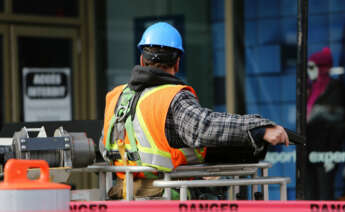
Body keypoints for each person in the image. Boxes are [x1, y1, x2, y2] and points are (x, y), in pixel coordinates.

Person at [99, 22, 289, 200]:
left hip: (123, 196)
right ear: (177, 62)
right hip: (165, 198)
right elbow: (204, 127)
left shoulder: (116, 97)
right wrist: (259, 128)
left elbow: (105, 147)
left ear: (142, 59)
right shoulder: (172, 97)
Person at [305, 47, 345, 200]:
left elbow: (338, 121)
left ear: (321, 68)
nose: (309, 71)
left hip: (326, 150)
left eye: (312, 67)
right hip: (308, 150)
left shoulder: (335, 88)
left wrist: (332, 153)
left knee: (325, 194)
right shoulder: (309, 88)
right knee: (309, 194)